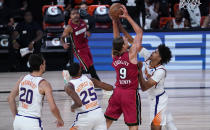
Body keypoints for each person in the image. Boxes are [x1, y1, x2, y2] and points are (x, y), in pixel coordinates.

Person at [104, 5, 143, 130]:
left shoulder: (114, 55)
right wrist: (127, 16)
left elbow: (116, 39)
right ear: (124, 47)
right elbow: (139, 32)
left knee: (106, 123)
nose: (126, 39)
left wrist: (114, 21)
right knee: (133, 125)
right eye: (125, 41)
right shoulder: (131, 55)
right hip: (130, 94)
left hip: (117, 93)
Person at [7, 54, 64, 130]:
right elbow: (53, 108)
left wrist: (16, 117)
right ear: (41, 66)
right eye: (44, 63)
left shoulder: (22, 78)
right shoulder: (44, 84)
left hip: (18, 121)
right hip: (32, 122)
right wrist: (60, 120)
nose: (45, 66)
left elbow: (10, 98)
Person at [138, 44, 177, 130]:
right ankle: (168, 119)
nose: (152, 52)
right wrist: (121, 30)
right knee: (157, 124)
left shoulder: (160, 71)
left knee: (154, 127)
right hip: (153, 99)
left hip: (159, 100)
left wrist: (139, 71)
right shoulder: (148, 57)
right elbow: (135, 44)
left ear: (159, 58)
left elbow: (144, 88)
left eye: (156, 52)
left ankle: (167, 119)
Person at [64, 62, 113, 130]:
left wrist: (72, 107)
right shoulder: (90, 80)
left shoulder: (69, 86)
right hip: (99, 115)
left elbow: (79, 103)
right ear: (80, 70)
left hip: (84, 117)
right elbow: (109, 87)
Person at [61, 8, 100, 81]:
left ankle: (68, 73)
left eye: (77, 13)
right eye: (73, 14)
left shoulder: (83, 23)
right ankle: (98, 83)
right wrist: (63, 43)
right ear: (70, 17)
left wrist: (88, 32)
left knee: (88, 66)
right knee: (88, 67)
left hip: (86, 47)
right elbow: (62, 37)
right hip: (77, 49)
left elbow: (87, 30)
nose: (75, 15)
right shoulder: (69, 27)